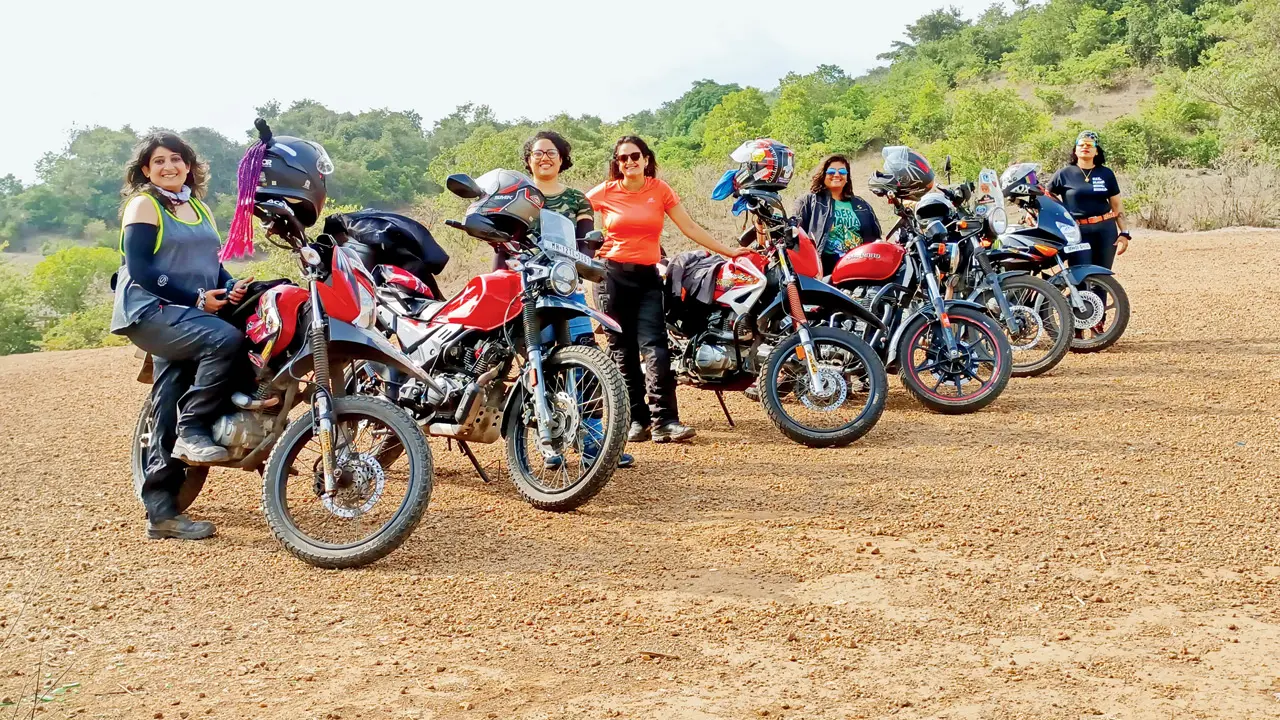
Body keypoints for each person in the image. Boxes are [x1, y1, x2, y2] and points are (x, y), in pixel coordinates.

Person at [109, 132, 252, 540]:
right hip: (149, 311)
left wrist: (231, 285)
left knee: (169, 398)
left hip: (188, 311)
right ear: (146, 170)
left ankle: (161, 512)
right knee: (225, 340)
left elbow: (212, 265)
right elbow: (141, 270)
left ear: (189, 166)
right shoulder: (144, 205)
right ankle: (193, 429)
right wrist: (197, 298)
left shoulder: (198, 207)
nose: (168, 166)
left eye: (176, 159)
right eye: (158, 161)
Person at [587, 136, 750, 444]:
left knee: (655, 347)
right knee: (623, 351)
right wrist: (583, 246)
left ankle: (665, 420)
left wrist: (729, 252)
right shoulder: (606, 191)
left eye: (635, 156)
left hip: (648, 277)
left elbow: (690, 227)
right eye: (623, 158)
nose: (629, 162)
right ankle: (637, 420)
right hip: (611, 277)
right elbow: (575, 214)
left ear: (646, 159)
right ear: (617, 163)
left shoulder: (659, 190)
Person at [520, 130, 634, 469]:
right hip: (528, 292)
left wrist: (581, 260)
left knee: (587, 363)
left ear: (562, 159)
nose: (544, 158)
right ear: (528, 159)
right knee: (537, 364)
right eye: (538, 153)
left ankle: (593, 442)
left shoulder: (576, 199)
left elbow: (586, 244)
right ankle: (547, 442)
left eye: (551, 152)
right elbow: (502, 244)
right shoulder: (518, 196)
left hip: (567, 289)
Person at [1047, 131, 1131, 268]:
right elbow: (1046, 197)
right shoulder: (1063, 174)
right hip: (1077, 232)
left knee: (1102, 274)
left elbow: (1116, 204)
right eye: (1081, 145)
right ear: (1075, 150)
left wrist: (1124, 232)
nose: (1085, 147)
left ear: (1096, 151)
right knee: (1080, 273)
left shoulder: (1106, 173)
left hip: (1105, 231)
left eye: (1090, 145)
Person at [792, 154, 883, 276]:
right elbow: (794, 236)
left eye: (842, 171)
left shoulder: (861, 205)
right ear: (823, 175)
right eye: (831, 171)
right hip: (824, 268)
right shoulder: (808, 202)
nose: (836, 174)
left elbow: (875, 238)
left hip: (859, 265)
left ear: (847, 177)